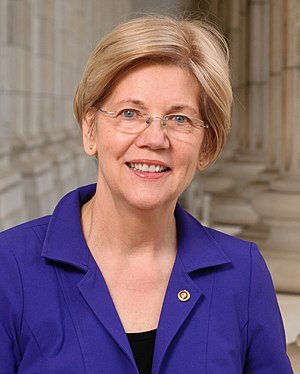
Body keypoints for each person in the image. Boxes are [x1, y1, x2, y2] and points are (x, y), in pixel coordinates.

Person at [0, 14, 293, 374]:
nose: (155, 138)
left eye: (179, 119)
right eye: (130, 113)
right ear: (90, 130)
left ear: (207, 146)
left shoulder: (243, 274)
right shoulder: (8, 267)